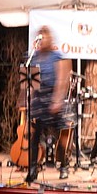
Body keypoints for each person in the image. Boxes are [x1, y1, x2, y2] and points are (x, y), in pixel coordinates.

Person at [25, 25, 71, 183]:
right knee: (34, 136)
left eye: (44, 36)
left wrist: (57, 100)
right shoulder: (33, 57)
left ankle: (63, 165)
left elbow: (62, 79)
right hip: (38, 99)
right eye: (39, 37)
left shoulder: (56, 56)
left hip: (53, 97)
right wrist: (28, 99)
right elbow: (29, 81)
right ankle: (33, 169)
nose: (41, 39)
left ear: (49, 38)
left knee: (59, 136)